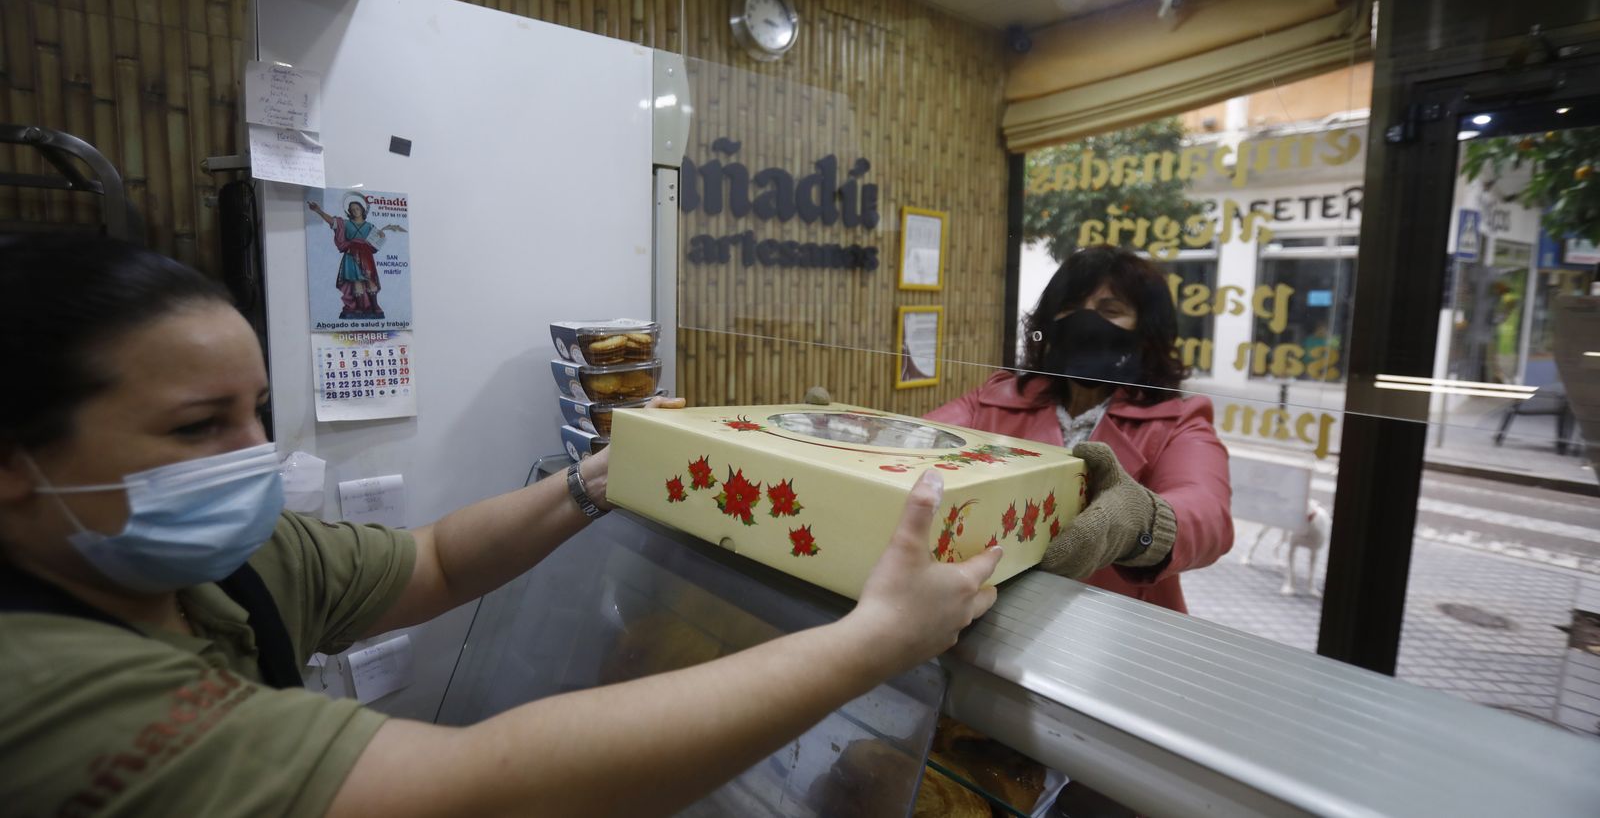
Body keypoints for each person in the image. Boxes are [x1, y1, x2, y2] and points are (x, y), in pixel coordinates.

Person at [0, 235, 1003, 817]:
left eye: (254, 411)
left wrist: (599, 481)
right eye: (197, 426)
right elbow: (481, 790)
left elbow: (433, 558)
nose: (249, 452)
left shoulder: (230, 567)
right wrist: (875, 642)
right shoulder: (43, 688)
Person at [928, 245, 1232, 613]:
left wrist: (1143, 521)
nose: (1084, 323)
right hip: (992, 611)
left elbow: (1209, 514)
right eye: (1070, 308)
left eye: (1111, 311)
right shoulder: (997, 397)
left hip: (1110, 625)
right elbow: (920, 441)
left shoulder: (1179, 419)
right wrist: (845, 425)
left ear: (1147, 334)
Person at [307, 194, 405, 320]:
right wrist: (318, 210)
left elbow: (376, 241)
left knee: (369, 279)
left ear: (362, 210)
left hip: (366, 256)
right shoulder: (345, 224)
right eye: (352, 209)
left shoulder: (369, 226)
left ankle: (375, 306)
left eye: (357, 208)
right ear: (349, 212)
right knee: (356, 281)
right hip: (351, 255)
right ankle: (359, 308)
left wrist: (380, 235)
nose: (355, 211)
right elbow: (332, 221)